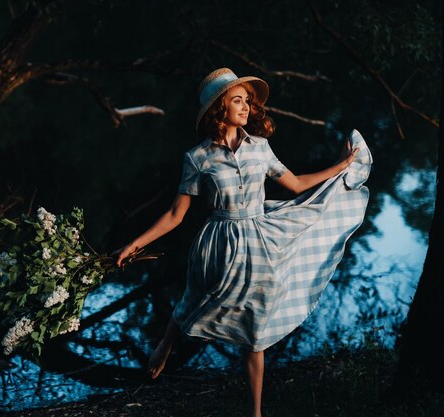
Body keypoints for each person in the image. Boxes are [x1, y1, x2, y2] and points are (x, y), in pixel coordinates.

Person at [114, 68, 371, 417]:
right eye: (238, 100)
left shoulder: (261, 149)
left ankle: (255, 413)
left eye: (247, 101)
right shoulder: (197, 158)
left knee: (256, 327)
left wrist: (339, 167)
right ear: (220, 108)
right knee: (195, 296)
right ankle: (165, 345)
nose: (247, 107)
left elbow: (295, 185)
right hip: (217, 241)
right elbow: (177, 214)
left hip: (258, 238)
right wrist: (135, 244)